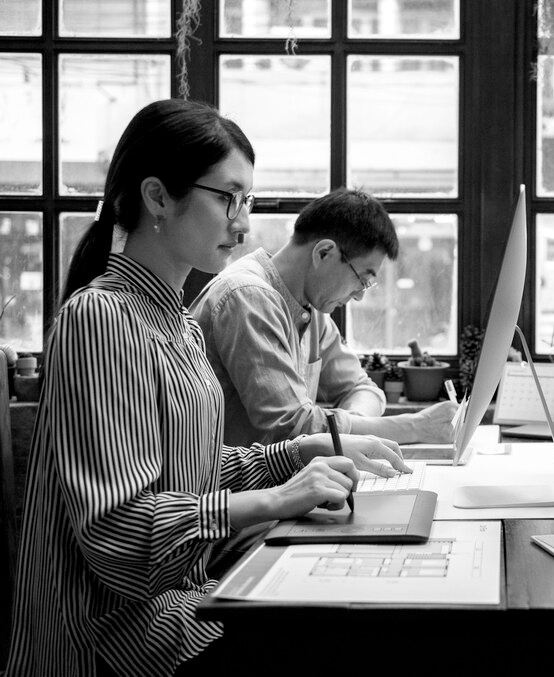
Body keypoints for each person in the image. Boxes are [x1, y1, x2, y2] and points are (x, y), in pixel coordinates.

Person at [4, 98, 411, 676]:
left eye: (247, 202)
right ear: (158, 197)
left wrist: (299, 452)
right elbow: (121, 538)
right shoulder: (99, 318)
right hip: (112, 636)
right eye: (228, 198)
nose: (242, 224)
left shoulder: (177, 322)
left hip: (178, 598)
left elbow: (190, 466)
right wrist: (278, 499)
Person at [188, 187, 459, 448]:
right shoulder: (247, 297)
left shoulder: (311, 311)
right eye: (362, 279)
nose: (359, 296)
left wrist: (353, 429)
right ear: (324, 253)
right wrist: (414, 427)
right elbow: (292, 427)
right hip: (231, 480)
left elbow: (362, 388)